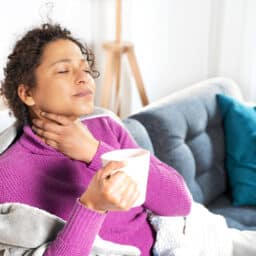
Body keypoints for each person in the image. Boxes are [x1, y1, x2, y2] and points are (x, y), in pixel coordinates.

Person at [0, 23, 192, 256]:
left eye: (86, 68)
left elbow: (179, 202)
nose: (84, 78)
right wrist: (92, 206)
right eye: (63, 70)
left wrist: (93, 150)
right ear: (27, 93)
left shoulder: (105, 126)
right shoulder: (8, 173)